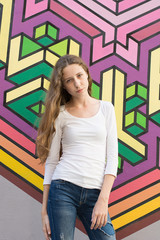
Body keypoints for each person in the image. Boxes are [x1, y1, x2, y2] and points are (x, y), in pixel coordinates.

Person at [36, 54, 118, 240]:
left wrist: (103, 200)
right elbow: (52, 162)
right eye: (69, 80)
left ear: (87, 75)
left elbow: (113, 158)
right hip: (63, 188)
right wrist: (44, 211)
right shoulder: (61, 114)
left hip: (96, 193)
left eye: (80, 76)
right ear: (63, 85)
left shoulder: (106, 109)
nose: (77, 83)